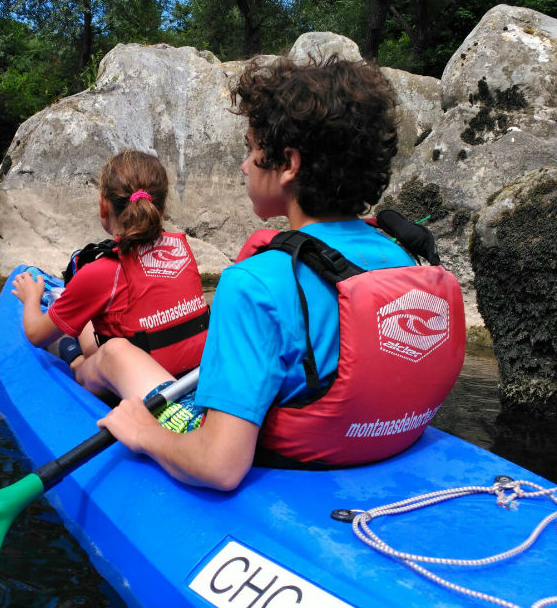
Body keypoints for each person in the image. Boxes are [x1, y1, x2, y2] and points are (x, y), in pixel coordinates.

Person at [93, 54, 465, 490]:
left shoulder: (253, 286)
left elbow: (220, 465)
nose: (244, 165)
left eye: (251, 149)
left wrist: (143, 431)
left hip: (288, 468)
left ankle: (79, 367)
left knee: (113, 356)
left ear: (288, 164)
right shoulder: (400, 255)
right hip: (381, 445)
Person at [12, 150, 210, 398]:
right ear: (162, 206)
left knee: (86, 353)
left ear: (103, 207)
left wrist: (31, 297)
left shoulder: (101, 272)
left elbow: (35, 335)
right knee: (102, 323)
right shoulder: (181, 247)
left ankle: (76, 363)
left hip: (142, 391)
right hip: (193, 376)